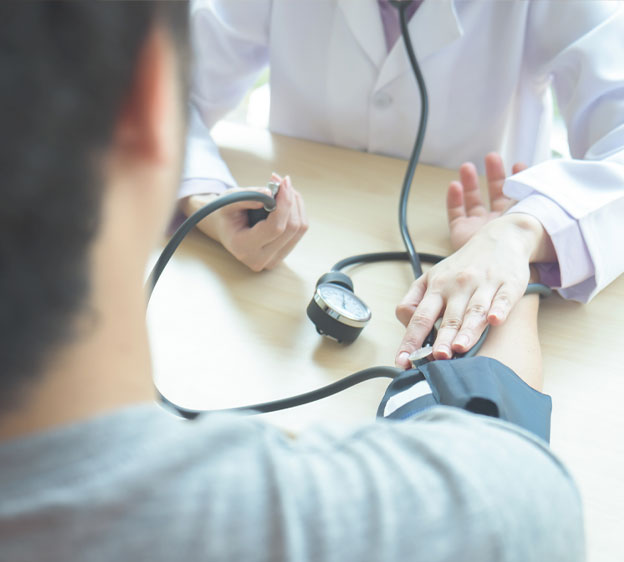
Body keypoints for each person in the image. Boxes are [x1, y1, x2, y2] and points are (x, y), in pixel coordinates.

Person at [0, 2, 584, 561]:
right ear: (150, 100)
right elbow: (504, 466)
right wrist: (517, 266)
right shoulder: (467, 520)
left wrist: (205, 193)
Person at [182, 0, 624, 367]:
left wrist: (522, 232)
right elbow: (156, 92)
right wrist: (206, 199)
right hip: (284, 284)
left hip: (480, 263)